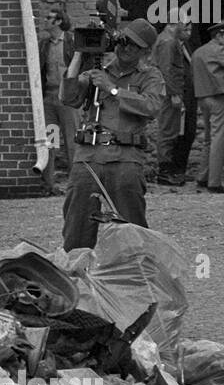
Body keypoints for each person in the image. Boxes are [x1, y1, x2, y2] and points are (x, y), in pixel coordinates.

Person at [59, 18, 164, 251]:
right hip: (88, 159)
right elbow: (68, 97)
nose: (125, 48)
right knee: (76, 229)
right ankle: (76, 278)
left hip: (125, 160)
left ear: (144, 51)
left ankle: (135, 279)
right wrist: (79, 53)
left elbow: (151, 107)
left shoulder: (149, 76)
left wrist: (112, 89)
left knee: (132, 232)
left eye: (133, 46)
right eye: (123, 42)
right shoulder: (97, 73)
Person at [192, 22, 224, 193]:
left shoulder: (199, 51)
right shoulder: (220, 50)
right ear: (219, 36)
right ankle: (214, 181)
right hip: (217, 97)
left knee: (209, 139)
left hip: (202, 97)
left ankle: (202, 176)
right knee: (219, 139)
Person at [38, 6, 76, 196]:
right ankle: (49, 184)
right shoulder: (44, 44)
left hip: (68, 100)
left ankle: (76, 184)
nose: (45, 20)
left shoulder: (70, 41)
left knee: (71, 141)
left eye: (49, 17)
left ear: (59, 21)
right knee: (50, 141)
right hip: (50, 99)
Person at [152, 14, 192, 185]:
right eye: (184, 24)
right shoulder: (168, 42)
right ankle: (164, 171)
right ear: (176, 23)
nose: (186, 29)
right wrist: (174, 93)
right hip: (169, 93)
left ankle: (167, 170)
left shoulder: (167, 39)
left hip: (169, 91)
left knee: (170, 129)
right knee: (168, 130)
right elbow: (166, 69)